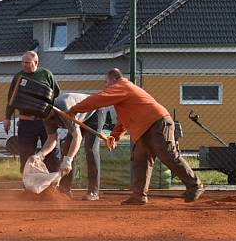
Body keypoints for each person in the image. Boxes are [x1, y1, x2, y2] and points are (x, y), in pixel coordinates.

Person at [68, 68, 205, 205]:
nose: (105, 85)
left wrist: (74, 109)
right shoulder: (124, 92)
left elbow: (99, 99)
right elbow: (124, 120)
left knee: (168, 155)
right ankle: (139, 196)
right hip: (145, 128)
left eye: (106, 82)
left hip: (156, 122)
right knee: (141, 161)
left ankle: (195, 185)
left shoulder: (121, 86)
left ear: (114, 78)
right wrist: (114, 136)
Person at [35, 93, 108, 200]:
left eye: (48, 117)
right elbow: (52, 139)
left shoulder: (64, 109)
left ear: (51, 109)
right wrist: (40, 155)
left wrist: (68, 160)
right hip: (78, 119)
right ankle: (65, 190)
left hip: (94, 112)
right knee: (67, 149)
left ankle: (93, 191)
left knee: (90, 149)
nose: (47, 120)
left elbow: (77, 137)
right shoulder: (45, 116)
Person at [4, 51, 61, 173]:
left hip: (45, 122)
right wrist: (7, 118)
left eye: (27, 63)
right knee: (26, 156)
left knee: (52, 156)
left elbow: (56, 93)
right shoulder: (18, 77)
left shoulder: (46, 74)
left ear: (36, 62)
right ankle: (28, 188)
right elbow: (11, 98)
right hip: (26, 123)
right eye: (23, 62)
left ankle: (52, 188)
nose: (24, 65)